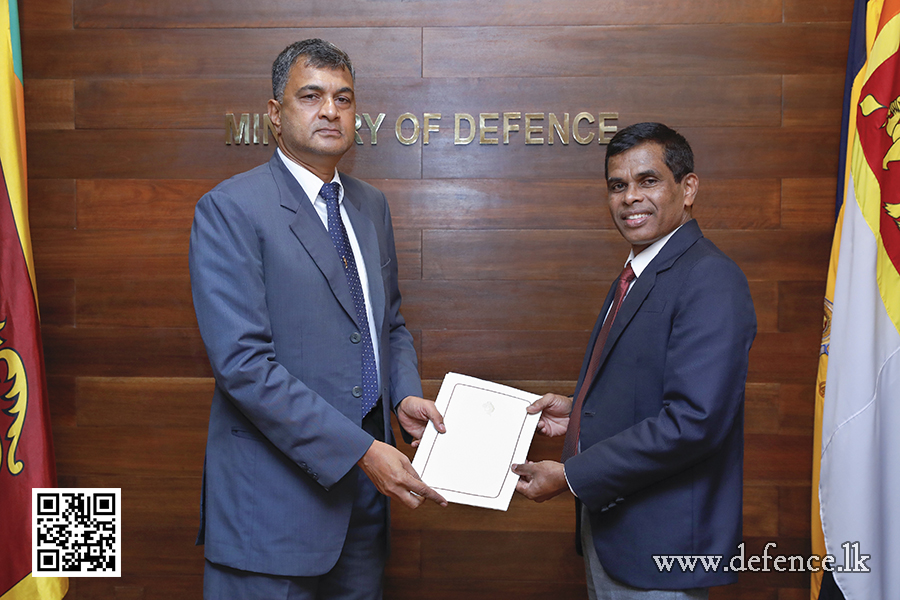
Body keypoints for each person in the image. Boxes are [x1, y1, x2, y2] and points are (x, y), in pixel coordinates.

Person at [189, 38, 447, 599]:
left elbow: (389, 324)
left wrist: (403, 395)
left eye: (344, 98)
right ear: (275, 116)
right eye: (311, 96)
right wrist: (360, 449)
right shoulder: (230, 209)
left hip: (362, 510)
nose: (330, 110)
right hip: (273, 512)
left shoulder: (369, 205)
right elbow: (243, 366)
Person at [512, 122, 757, 599]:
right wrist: (577, 411)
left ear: (688, 189)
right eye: (617, 186)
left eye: (648, 181)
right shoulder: (637, 271)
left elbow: (694, 421)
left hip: (661, 547)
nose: (630, 198)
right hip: (613, 533)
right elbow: (644, 384)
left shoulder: (710, 279)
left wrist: (572, 476)